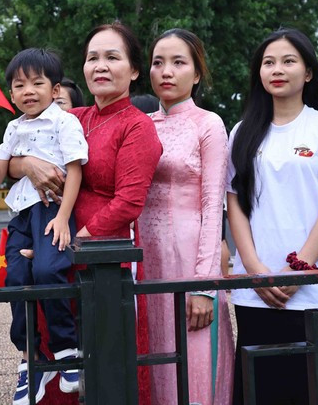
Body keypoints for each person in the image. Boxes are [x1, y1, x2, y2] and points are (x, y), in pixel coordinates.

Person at [8, 21, 162, 405]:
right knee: (59, 373)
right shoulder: (73, 117)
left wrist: (69, 244)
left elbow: (128, 203)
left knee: (107, 373)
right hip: (55, 254)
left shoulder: (137, 126)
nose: (100, 66)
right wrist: (26, 163)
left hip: (102, 261)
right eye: (93, 58)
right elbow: (13, 161)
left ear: (135, 70)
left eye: (113, 57)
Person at [226, 28, 318, 404]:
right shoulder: (242, 133)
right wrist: (255, 269)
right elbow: (234, 203)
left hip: (313, 288)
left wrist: (300, 265)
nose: (278, 69)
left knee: (316, 387)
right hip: (256, 291)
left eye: (289, 61)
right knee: (261, 387)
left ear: (307, 72)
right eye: (269, 62)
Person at [0, 48, 87, 405]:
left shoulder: (64, 121)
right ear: (11, 93)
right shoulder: (13, 127)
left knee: (50, 270)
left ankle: (66, 351)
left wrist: (64, 216)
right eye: (19, 85)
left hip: (52, 211)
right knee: (16, 280)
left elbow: (76, 169)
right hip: (20, 215)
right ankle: (31, 357)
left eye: (37, 83)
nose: (28, 91)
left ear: (54, 89)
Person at [138, 29, 233, 405]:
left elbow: (214, 207)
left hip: (190, 258)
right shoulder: (141, 124)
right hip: (146, 258)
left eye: (179, 63)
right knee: (152, 363)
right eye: (158, 62)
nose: (166, 71)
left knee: (193, 370)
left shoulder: (208, 124)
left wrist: (205, 287)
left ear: (196, 74)